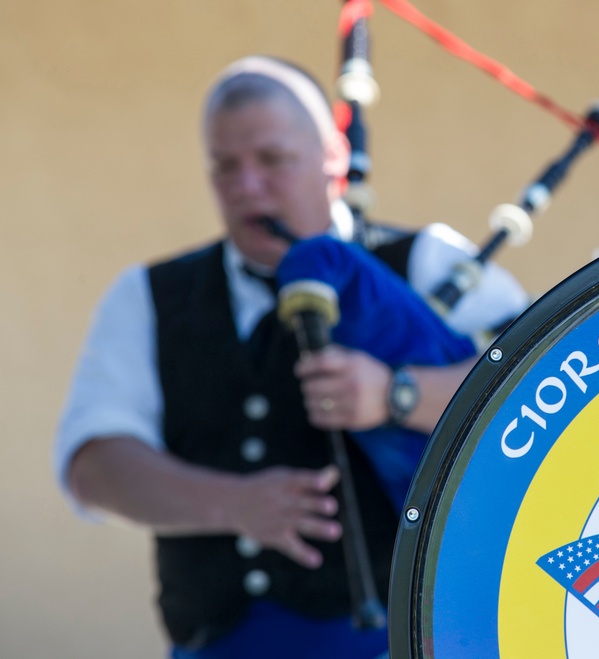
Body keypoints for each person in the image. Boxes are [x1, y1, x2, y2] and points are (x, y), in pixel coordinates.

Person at [54, 55, 529, 658]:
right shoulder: (148, 296)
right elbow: (93, 466)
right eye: (225, 167)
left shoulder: (426, 262)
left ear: (332, 156)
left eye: (272, 160)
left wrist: (396, 394)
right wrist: (233, 503)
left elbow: (542, 393)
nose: (247, 187)